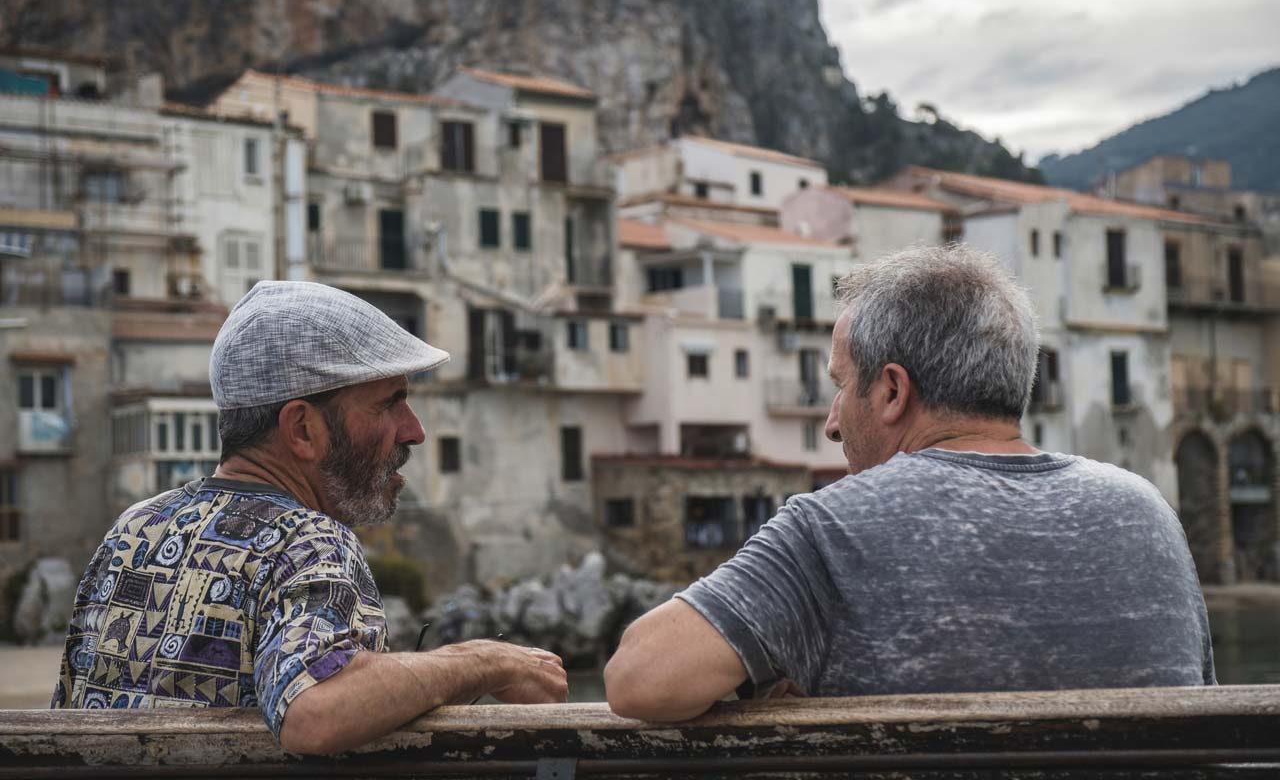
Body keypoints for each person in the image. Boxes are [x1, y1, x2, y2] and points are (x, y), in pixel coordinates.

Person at [604, 245, 1215, 721]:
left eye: (842, 385)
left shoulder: (834, 527)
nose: (831, 423)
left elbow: (638, 679)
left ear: (893, 391)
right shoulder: (1147, 511)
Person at [52, 281, 568, 754]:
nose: (414, 431)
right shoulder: (305, 539)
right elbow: (315, 710)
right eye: (389, 404)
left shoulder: (136, 527)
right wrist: (484, 661)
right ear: (301, 428)